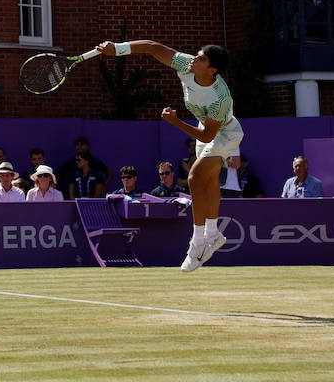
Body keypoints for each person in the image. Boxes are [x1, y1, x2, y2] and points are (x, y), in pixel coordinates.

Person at [98, 39, 243, 272]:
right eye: (197, 54)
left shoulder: (220, 98)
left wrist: (175, 122)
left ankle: (196, 244)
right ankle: (214, 235)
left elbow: (208, 136)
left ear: (212, 70)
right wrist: (117, 48)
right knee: (209, 180)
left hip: (225, 133)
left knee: (195, 178)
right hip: (205, 128)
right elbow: (153, 47)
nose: (194, 58)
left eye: (202, 59)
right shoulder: (187, 64)